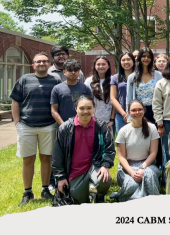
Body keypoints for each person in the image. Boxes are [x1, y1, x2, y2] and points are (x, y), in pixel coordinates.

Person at [11, 52, 61, 206]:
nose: (41, 63)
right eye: (38, 61)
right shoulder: (24, 79)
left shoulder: (55, 80)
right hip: (27, 126)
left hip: (48, 126)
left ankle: (45, 189)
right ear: (33, 65)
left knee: (46, 158)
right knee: (28, 159)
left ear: (49, 64)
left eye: (45, 61)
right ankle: (28, 192)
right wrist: (17, 122)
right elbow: (15, 101)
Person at [52, 95, 115, 204]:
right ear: (76, 109)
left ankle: (99, 196)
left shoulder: (101, 127)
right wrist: (61, 177)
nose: (85, 111)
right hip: (75, 171)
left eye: (89, 108)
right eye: (81, 108)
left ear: (93, 108)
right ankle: (90, 194)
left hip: (94, 166)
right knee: (80, 202)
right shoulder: (65, 129)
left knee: (105, 179)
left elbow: (109, 149)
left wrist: (105, 165)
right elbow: (57, 155)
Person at [112, 100, 160, 201]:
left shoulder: (152, 128)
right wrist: (132, 173)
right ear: (129, 113)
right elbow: (122, 157)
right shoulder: (123, 131)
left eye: (139, 110)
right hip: (128, 167)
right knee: (133, 185)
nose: (137, 112)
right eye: (133, 110)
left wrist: (142, 168)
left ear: (144, 110)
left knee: (149, 175)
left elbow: (153, 153)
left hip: (147, 165)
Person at [127, 47, 163, 123]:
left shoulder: (158, 75)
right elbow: (129, 98)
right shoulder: (132, 77)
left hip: (155, 112)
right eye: (144, 56)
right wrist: (129, 117)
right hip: (139, 112)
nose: (146, 58)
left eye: (149, 57)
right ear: (139, 58)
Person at [51, 59, 92, 125]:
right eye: (70, 70)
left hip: (83, 125)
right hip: (64, 125)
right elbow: (54, 111)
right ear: (64, 72)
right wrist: (63, 126)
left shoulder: (85, 88)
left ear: (79, 72)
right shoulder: (57, 89)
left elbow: (91, 107)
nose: (73, 72)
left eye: (76, 70)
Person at [85, 56, 115, 129]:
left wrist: (111, 120)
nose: (101, 66)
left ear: (108, 66)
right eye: (98, 64)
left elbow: (114, 101)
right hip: (92, 120)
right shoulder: (88, 81)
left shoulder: (113, 80)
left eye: (103, 64)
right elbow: (86, 101)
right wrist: (92, 118)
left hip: (109, 121)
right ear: (95, 66)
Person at [110, 52, 136, 133]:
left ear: (133, 61)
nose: (126, 62)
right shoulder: (115, 78)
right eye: (123, 60)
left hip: (137, 113)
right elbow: (113, 98)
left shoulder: (139, 76)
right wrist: (124, 114)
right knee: (122, 142)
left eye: (128, 59)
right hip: (121, 116)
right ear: (120, 62)